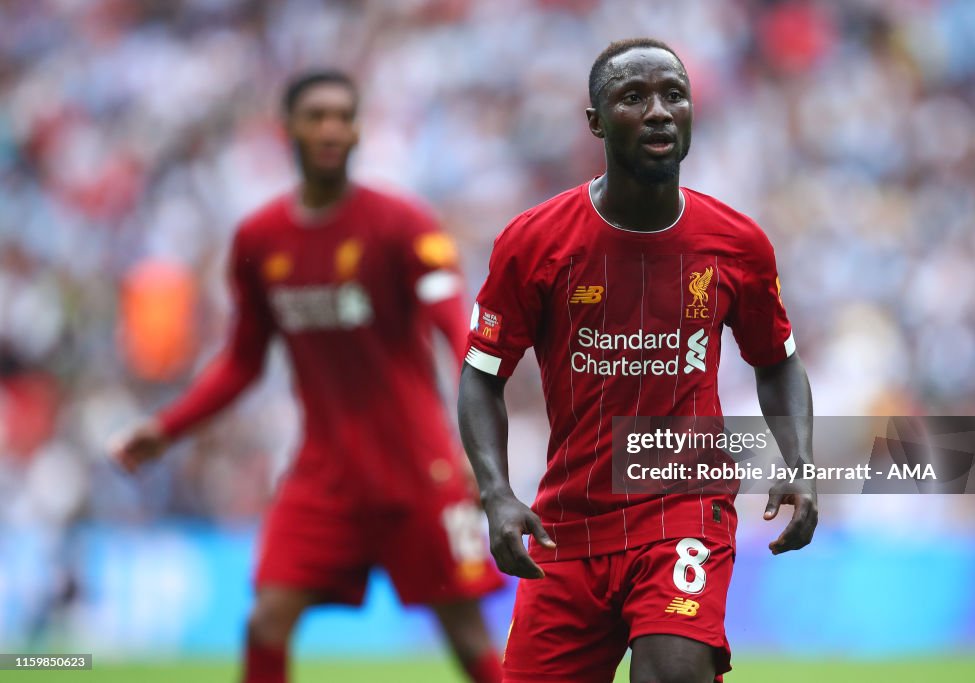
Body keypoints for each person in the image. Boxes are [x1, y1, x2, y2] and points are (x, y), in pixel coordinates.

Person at [111, 69, 504, 683]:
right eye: (316, 115)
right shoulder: (261, 240)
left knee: (465, 632)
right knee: (266, 621)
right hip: (325, 473)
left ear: (357, 132)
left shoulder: (404, 225)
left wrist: (481, 451)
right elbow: (243, 361)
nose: (330, 128)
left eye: (343, 117)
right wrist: (167, 428)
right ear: (286, 128)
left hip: (417, 469)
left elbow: (457, 332)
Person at [458, 38, 818, 682]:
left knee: (673, 674)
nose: (658, 111)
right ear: (595, 122)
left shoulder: (736, 244)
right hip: (568, 523)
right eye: (634, 97)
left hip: (684, 509)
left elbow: (778, 360)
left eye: (673, 95)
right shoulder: (535, 242)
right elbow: (482, 377)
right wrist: (496, 494)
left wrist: (800, 461)